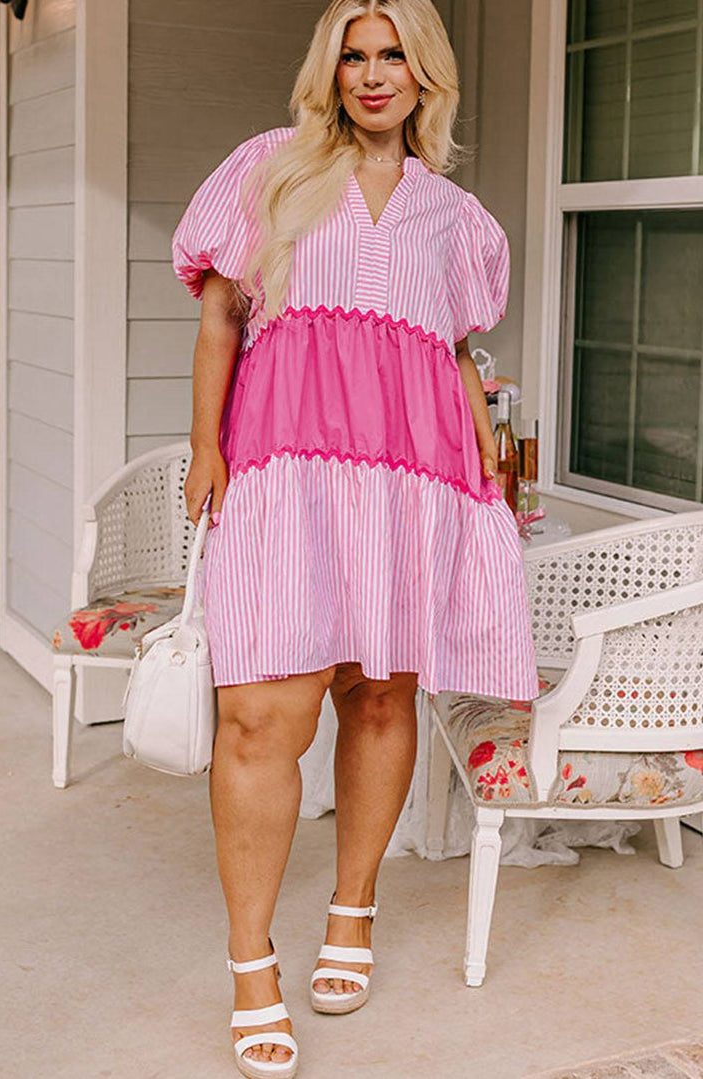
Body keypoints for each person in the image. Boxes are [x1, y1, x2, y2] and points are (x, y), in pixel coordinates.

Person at [171, 1, 539, 1075]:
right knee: (257, 716)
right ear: (328, 73)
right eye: (354, 58)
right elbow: (219, 318)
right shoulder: (268, 169)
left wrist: (500, 478)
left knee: (380, 693)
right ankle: (251, 964)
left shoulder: (455, 219)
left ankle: (354, 906)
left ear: (426, 76)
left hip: (414, 480)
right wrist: (206, 451)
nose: (373, 76)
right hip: (285, 470)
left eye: (394, 57)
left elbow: (461, 357)